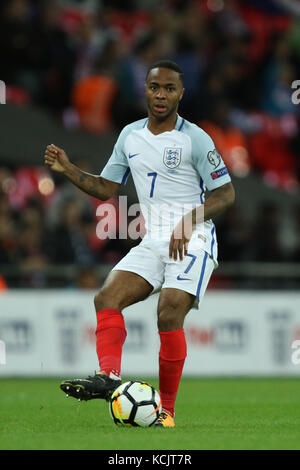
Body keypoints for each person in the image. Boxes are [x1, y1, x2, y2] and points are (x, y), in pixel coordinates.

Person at [44, 60, 235, 427]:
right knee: (106, 298)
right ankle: (109, 378)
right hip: (153, 240)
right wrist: (68, 170)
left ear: (181, 93)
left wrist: (190, 220)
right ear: (144, 90)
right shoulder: (130, 136)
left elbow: (226, 195)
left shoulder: (195, 138)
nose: (160, 95)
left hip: (193, 239)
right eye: (154, 88)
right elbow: (107, 188)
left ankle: (167, 412)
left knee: (167, 313)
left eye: (168, 89)